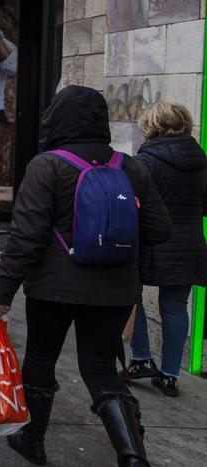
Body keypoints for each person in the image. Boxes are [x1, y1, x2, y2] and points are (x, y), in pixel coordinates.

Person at [0, 86, 171, 467]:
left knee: (40, 357)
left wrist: (1, 293)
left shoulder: (47, 165)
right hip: (116, 289)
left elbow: (26, 237)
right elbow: (159, 229)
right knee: (101, 367)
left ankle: (32, 439)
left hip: (54, 288)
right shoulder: (130, 166)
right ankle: (132, 453)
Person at [124, 101, 207, 397]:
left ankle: (141, 358)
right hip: (189, 242)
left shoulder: (146, 160)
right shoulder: (200, 158)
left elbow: (136, 204)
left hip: (151, 241)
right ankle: (170, 375)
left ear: (152, 126)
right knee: (175, 307)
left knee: (131, 294)